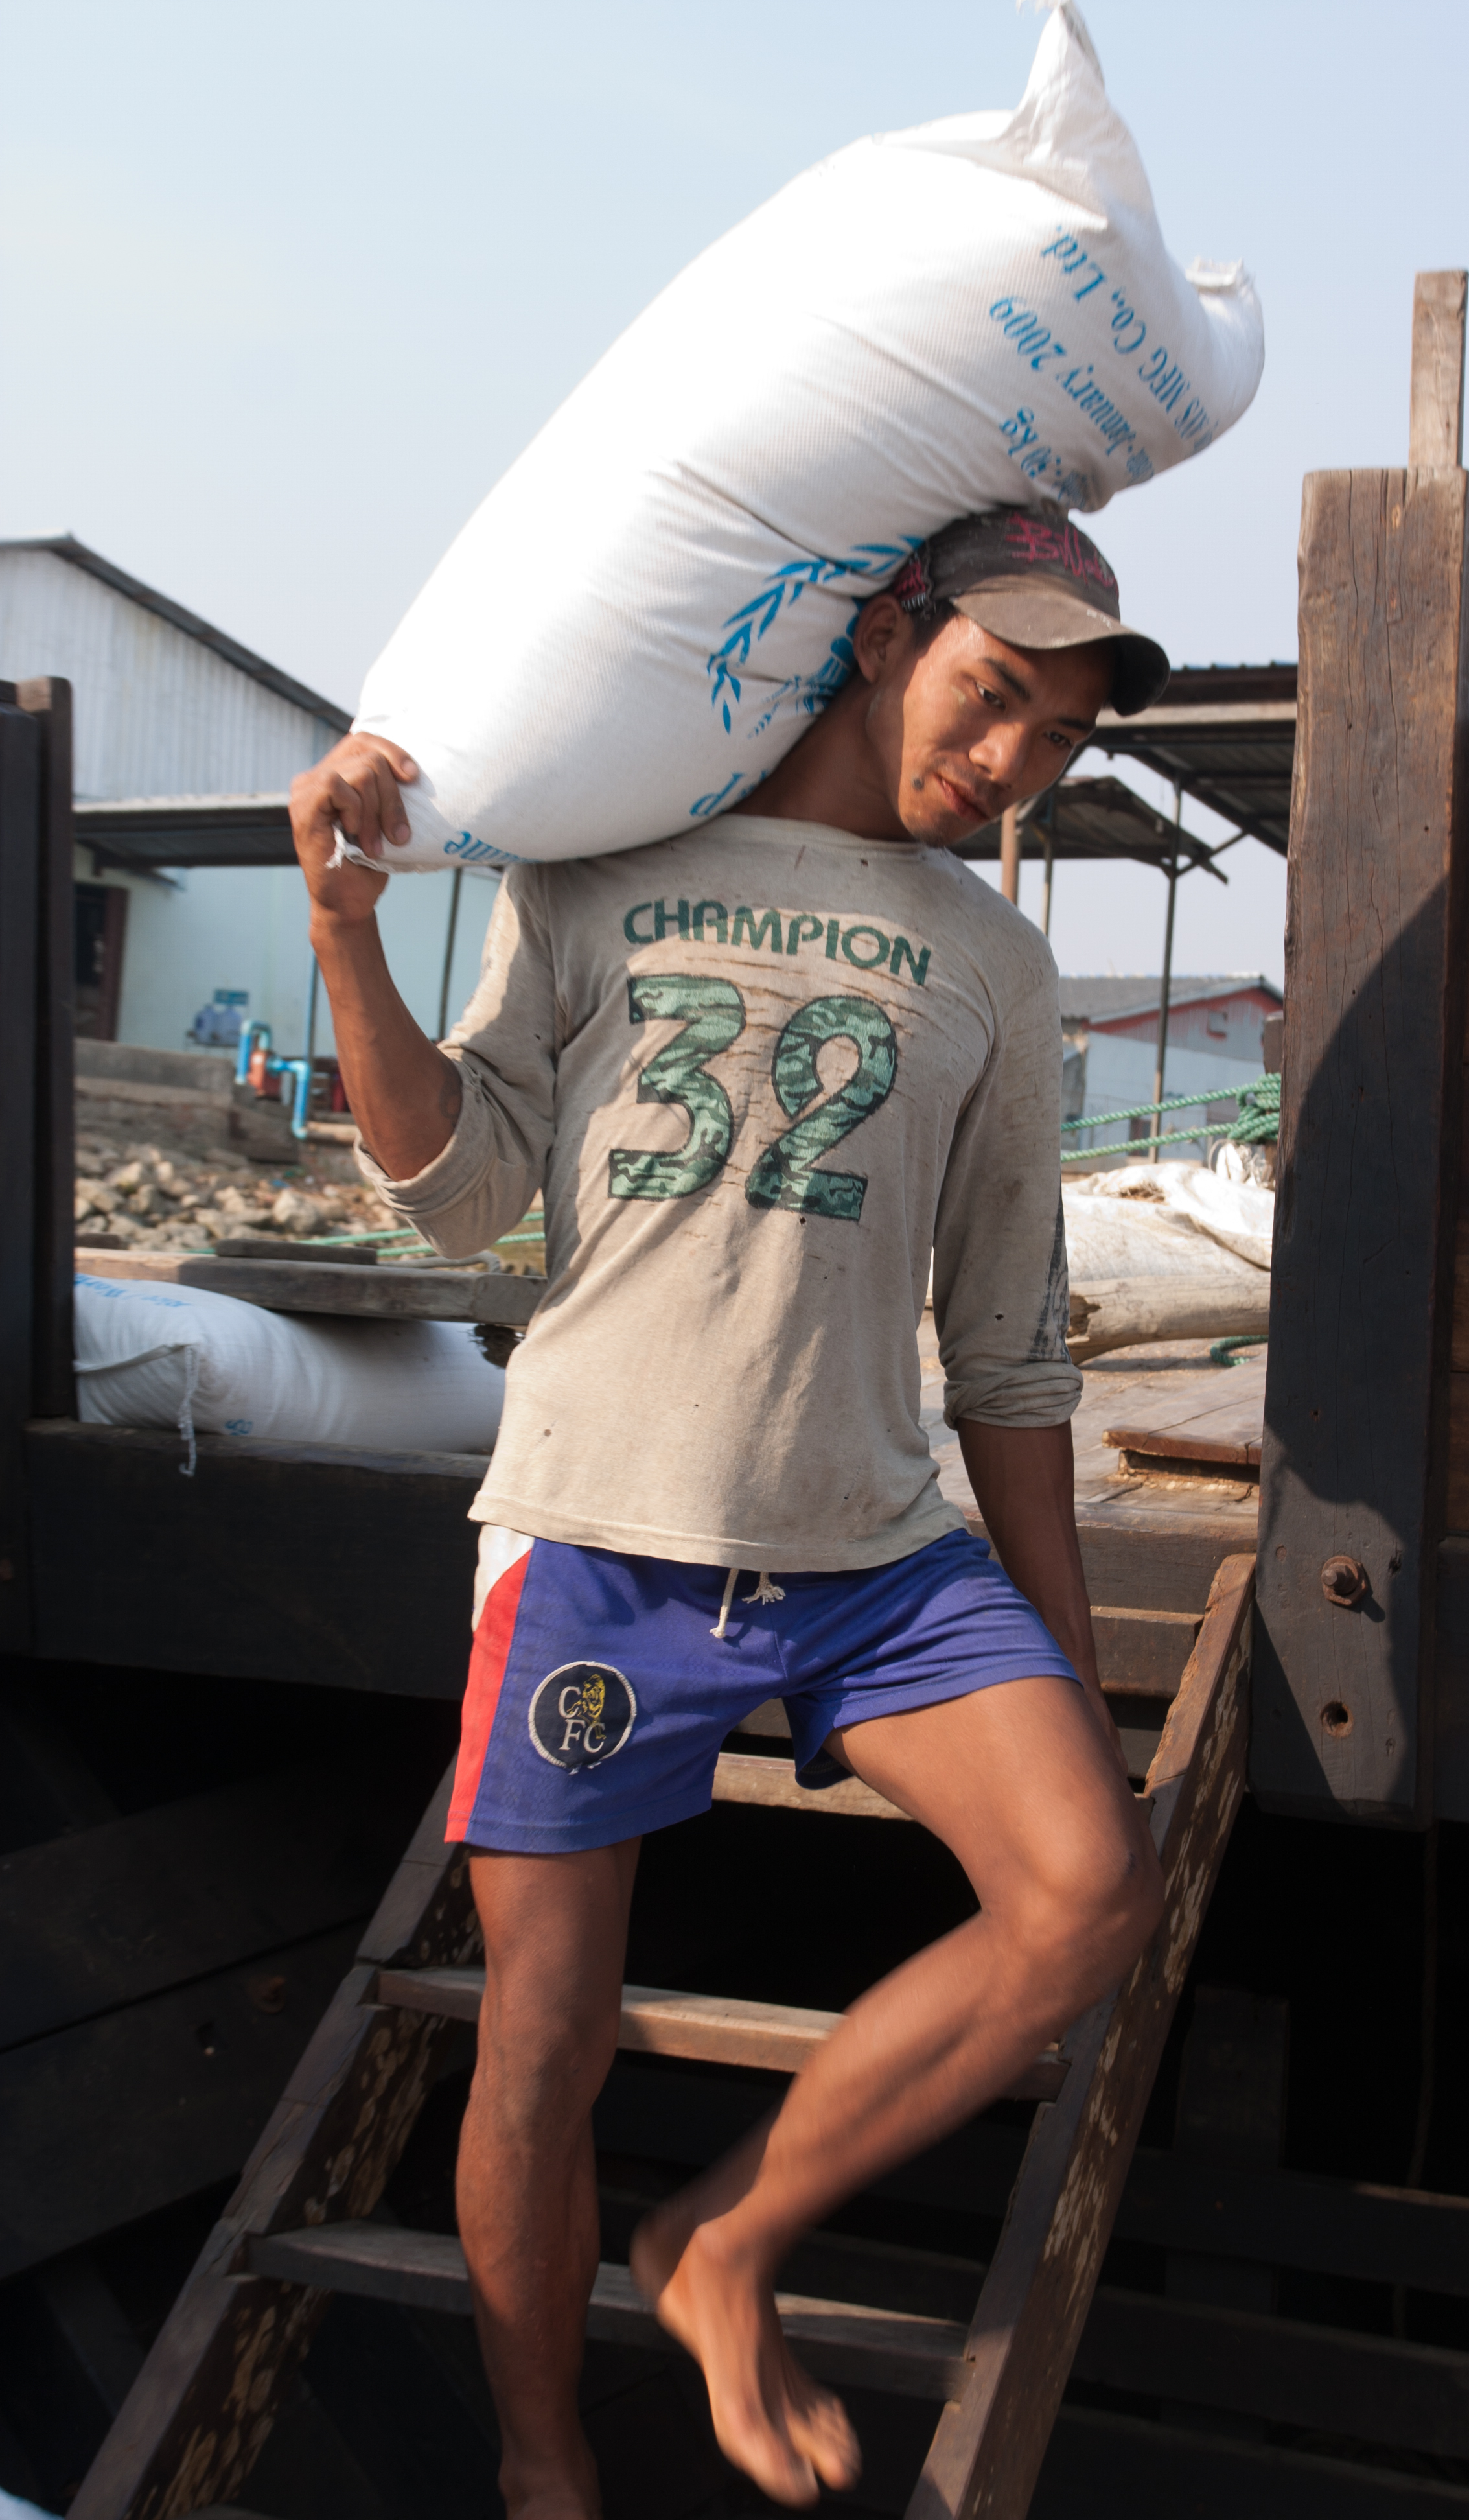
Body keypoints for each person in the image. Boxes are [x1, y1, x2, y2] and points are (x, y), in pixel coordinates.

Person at [290, 507, 1172, 2519]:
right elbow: (458, 1192)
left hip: (870, 1550)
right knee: (544, 2040)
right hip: (601, 1540)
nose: (1011, 761)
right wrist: (344, 935)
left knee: (1088, 1888)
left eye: (1053, 739)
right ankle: (542, 2467)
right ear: (888, 637)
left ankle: (721, 2240)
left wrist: (1069, 1667)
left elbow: (1014, 1354)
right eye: (992, 697)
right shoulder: (606, 867)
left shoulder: (996, 964)